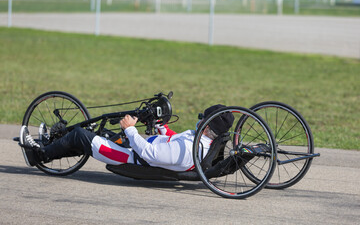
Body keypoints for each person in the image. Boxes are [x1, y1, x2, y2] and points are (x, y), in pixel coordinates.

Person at [19, 104, 234, 172]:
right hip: (136, 149)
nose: (199, 120)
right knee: (95, 132)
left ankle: (39, 155)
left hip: (129, 157)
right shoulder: (198, 140)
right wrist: (161, 127)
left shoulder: (189, 149)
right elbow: (171, 140)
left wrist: (131, 130)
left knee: (81, 135)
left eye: (203, 119)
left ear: (207, 127)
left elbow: (152, 154)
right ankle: (49, 144)